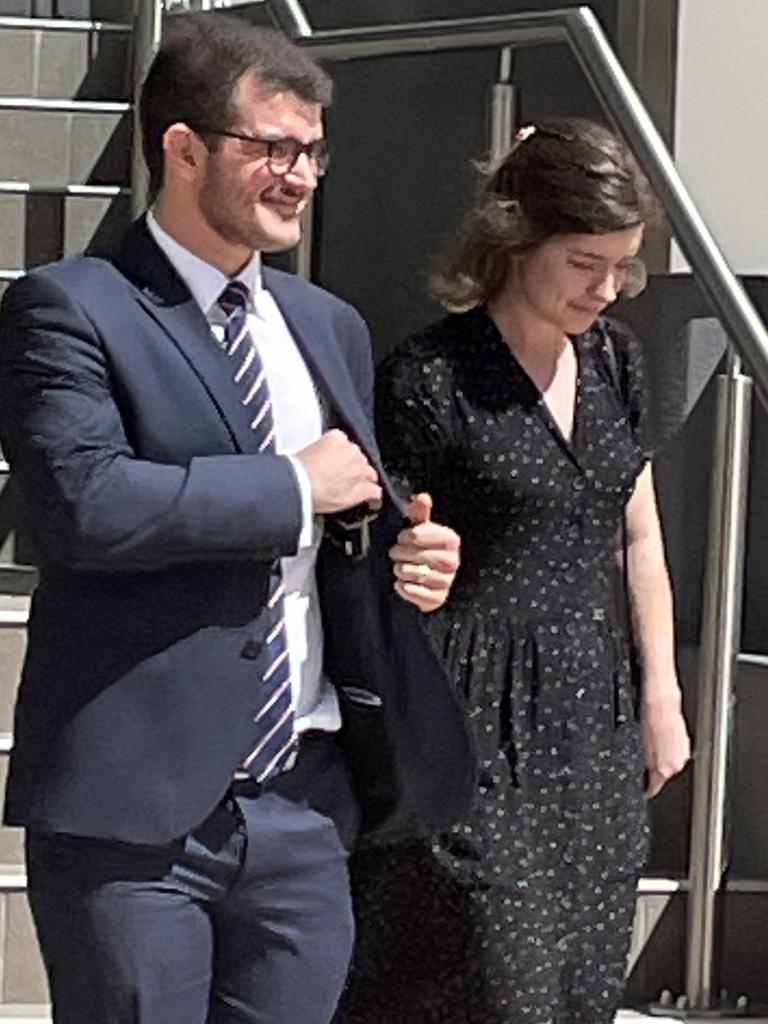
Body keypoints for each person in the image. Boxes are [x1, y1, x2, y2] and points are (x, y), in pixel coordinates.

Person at [0, 13, 474, 1024]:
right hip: (135, 816)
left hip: (304, 802)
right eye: (274, 148)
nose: (302, 174)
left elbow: (348, 515)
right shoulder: (71, 306)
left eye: (313, 150)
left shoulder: (326, 324)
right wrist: (293, 487)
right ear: (182, 149)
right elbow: (82, 506)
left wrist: (409, 555)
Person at [333, 118, 691, 1024]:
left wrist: (663, 697)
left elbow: (634, 538)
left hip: (593, 714)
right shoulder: (430, 378)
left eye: (622, 265)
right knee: (499, 979)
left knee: (580, 984)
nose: (606, 289)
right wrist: (412, 566)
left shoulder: (616, 362)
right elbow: (376, 558)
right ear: (516, 237)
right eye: (583, 262)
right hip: (470, 712)